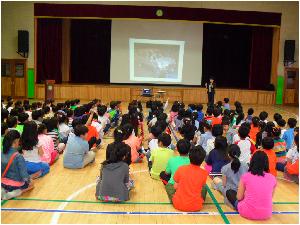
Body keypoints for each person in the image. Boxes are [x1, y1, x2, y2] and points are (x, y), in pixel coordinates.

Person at [226, 151, 277, 220]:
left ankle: (235, 206)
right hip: (267, 213)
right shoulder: (272, 178)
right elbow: (270, 197)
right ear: (266, 163)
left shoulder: (246, 176)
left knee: (229, 192)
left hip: (247, 212)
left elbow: (239, 197)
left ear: (252, 162)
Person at [169, 146, 208, 212]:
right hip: (196, 206)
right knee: (204, 188)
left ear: (189, 157)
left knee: (170, 187)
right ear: (202, 160)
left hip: (178, 204)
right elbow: (201, 187)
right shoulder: (204, 173)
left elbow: (175, 187)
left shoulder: (181, 169)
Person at [1, 130, 34, 200]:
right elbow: (24, 176)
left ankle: (3, 190)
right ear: (15, 141)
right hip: (15, 185)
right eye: (19, 141)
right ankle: (16, 192)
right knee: (31, 184)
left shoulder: (1, 153)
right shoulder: (18, 156)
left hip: (3, 182)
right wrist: (30, 180)